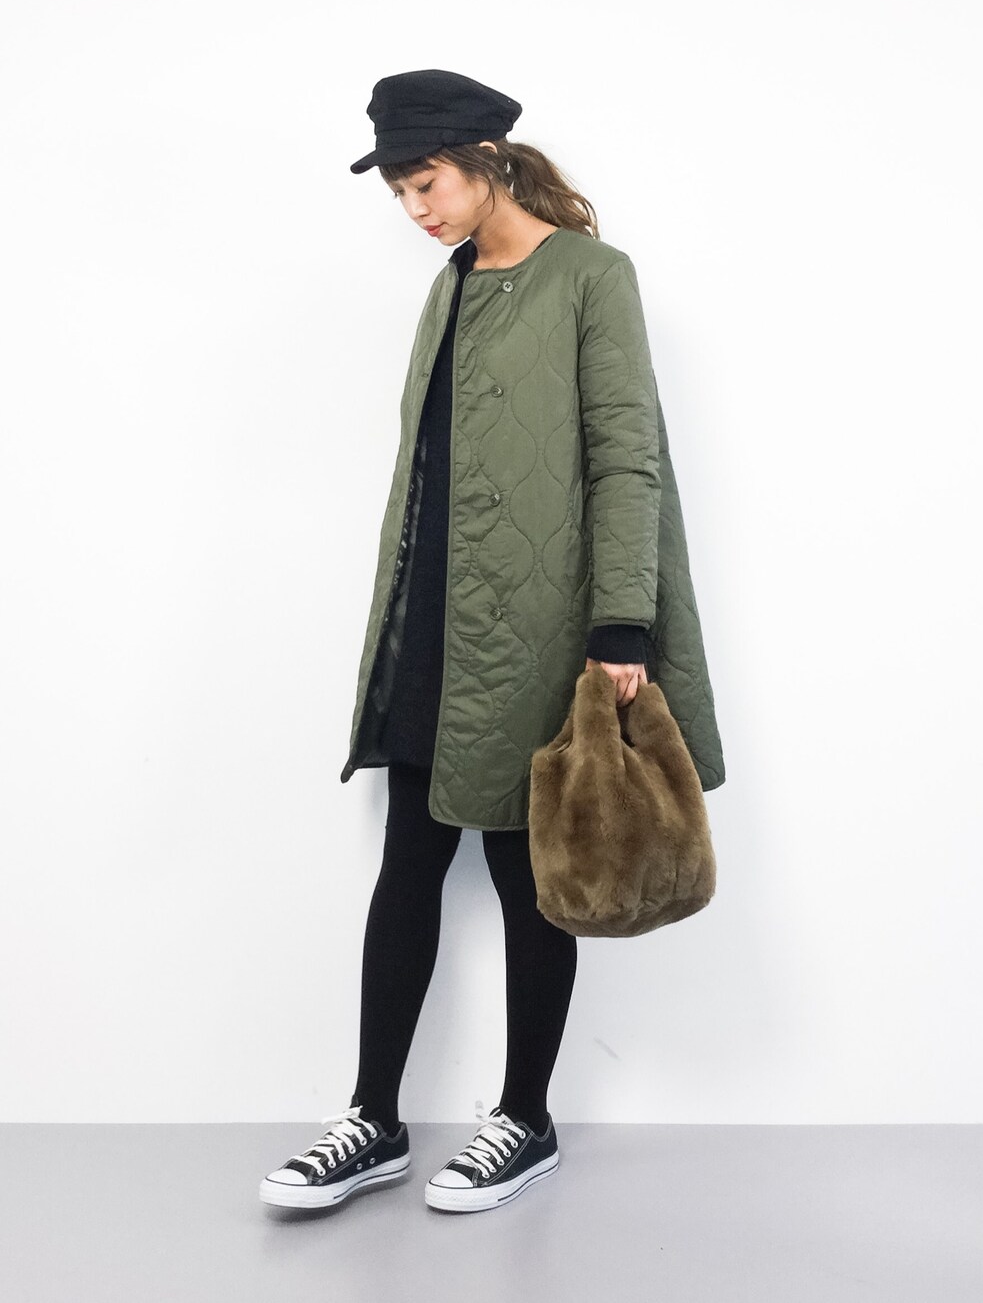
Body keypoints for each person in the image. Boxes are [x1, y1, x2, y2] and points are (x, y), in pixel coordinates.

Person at [260, 69, 725, 1216]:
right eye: (399, 193)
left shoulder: (591, 278)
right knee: (407, 863)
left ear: (486, 160)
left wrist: (621, 622)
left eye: (425, 182)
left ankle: (524, 1115)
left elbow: (626, 455)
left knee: (531, 872)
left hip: (542, 623)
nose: (415, 208)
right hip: (433, 617)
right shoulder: (452, 283)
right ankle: (372, 1117)